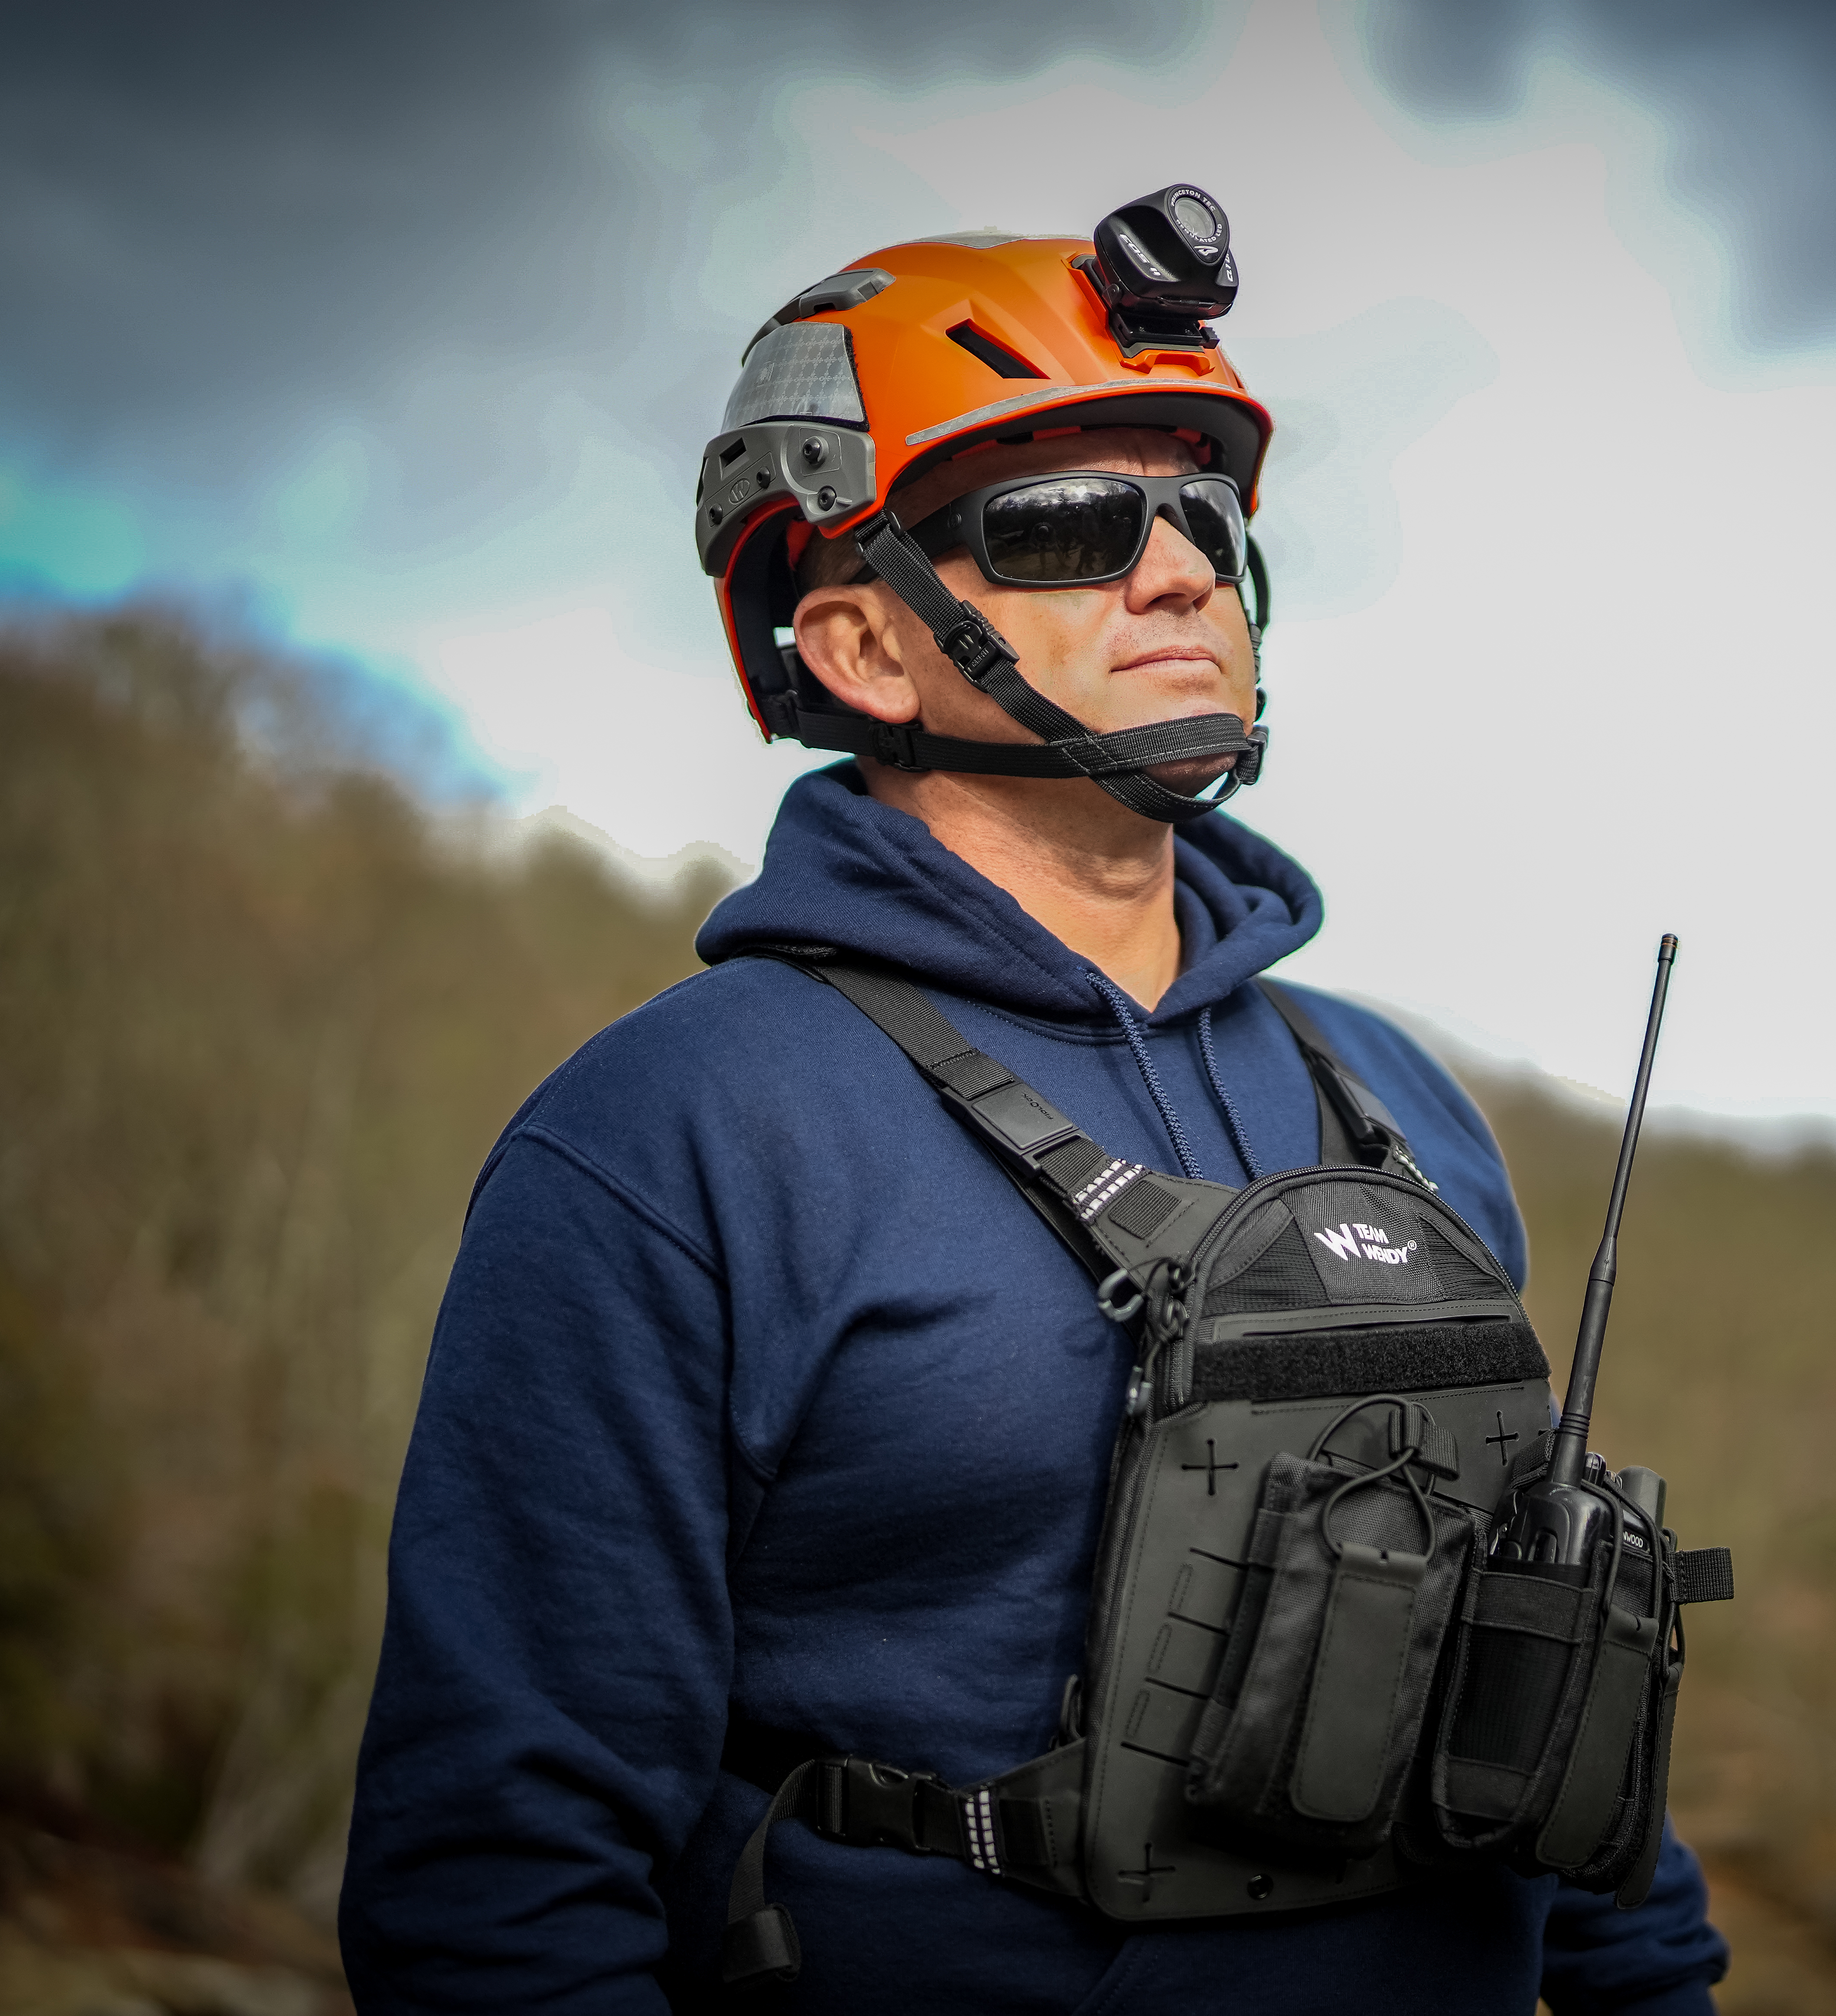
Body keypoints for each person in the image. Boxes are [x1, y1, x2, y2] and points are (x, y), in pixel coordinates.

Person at [338, 193, 1732, 2013]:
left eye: (1205, 517)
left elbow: (1553, 1709)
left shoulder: (1398, 1103)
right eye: (1068, 524)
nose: (1179, 574)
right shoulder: (675, 1139)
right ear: (860, 647)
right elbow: (500, 1879)